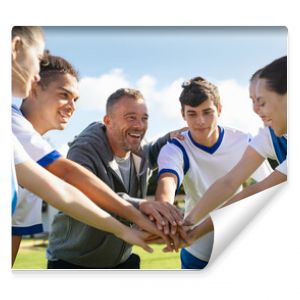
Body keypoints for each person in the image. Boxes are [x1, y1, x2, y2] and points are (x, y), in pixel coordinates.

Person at [11, 27, 155, 266]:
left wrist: (127, 228)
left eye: (76, 99)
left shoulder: (31, 161)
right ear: (35, 89)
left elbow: (14, 230)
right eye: (64, 95)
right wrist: (135, 216)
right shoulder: (10, 121)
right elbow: (68, 175)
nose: (72, 106)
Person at [47, 88, 185, 269]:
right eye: (131, 117)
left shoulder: (138, 147)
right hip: (74, 263)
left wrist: (171, 137)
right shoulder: (83, 150)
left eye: (144, 118)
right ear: (108, 121)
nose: (139, 125)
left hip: (121, 261)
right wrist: (141, 204)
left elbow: (151, 152)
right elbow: (89, 197)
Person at [154, 76, 272, 269]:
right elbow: (168, 179)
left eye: (207, 112)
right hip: (195, 248)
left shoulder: (244, 141)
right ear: (183, 114)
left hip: (237, 243)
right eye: (192, 114)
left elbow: (268, 188)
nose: (200, 121)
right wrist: (164, 211)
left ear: (219, 109)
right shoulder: (176, 147)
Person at [184, 56, 287, 234]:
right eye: (252, 100)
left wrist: (197, 232)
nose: (255, 109)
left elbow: (258, 190)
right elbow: (229, 182)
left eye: (261, 101)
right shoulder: (269, 135)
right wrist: (188, 224)